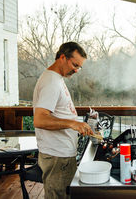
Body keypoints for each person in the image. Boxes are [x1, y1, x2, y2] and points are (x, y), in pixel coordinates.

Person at [33, 42, 93, 199]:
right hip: (57, 156)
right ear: (62, 57)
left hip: (62, 154)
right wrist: (72, 123)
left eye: (79, 67)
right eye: (75, 65)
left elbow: (59, 111)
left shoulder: (57, 78)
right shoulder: (51, 82)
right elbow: (40, 120)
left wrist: (78, 122)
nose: (76, 70)